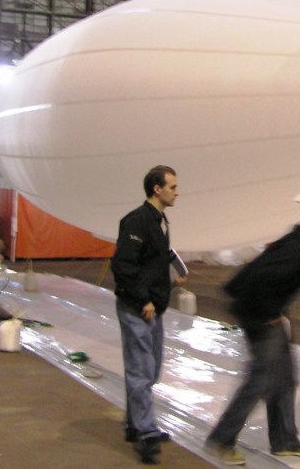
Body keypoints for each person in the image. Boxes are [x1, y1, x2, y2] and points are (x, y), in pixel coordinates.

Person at [205, 206, 300, 466]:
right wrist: (270, 314)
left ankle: (285, 441)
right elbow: (260, 280)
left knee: (285, 378)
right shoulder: (297, 253)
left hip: (267, 311)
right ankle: (222, 440)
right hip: (255, 312)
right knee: (260, 379)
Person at [111, 165, 184, 464]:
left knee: (150, 370)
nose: (177, 192)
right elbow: (124, 265)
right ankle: (146, 432)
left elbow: (153, 259)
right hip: (138, 307)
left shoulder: (160, 221)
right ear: (157, 189)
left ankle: (134, 424)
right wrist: (144, 299)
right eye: (173, 186)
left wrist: (172, 275)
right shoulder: (137, 221)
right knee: (141, 370)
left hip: (154, 307)